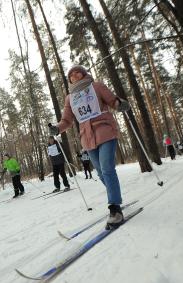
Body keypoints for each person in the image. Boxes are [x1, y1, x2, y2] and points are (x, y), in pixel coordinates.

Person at [48, 65, 130, 226]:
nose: (74, 75)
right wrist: (57, 128)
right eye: (71, 74)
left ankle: (114, 208)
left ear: (84, 74)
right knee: (100, 173)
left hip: (105, 130)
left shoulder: (96, 86)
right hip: (87, 139)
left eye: (77, 72)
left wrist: (120, 104)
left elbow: (113, 100)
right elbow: (67, 120)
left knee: (107, 169)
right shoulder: (70, 98)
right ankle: (115, 195)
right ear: (69, 80)